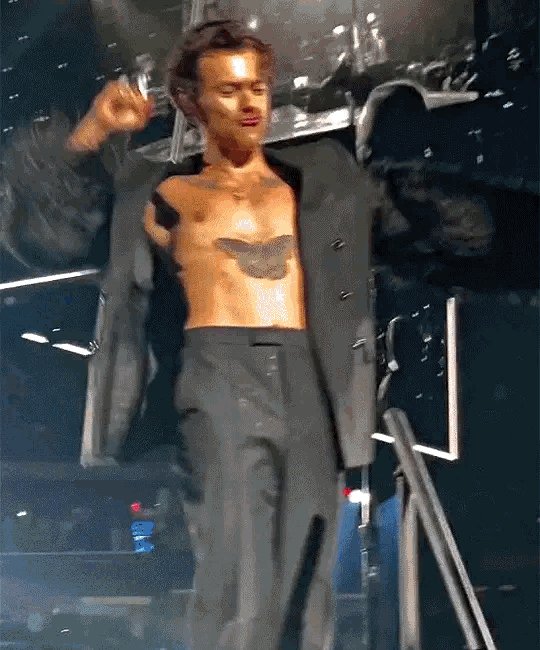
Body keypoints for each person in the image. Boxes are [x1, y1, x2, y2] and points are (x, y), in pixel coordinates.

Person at [1, 18, 493, 649]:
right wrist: (91, 133)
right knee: (242, 573)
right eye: (228, 89)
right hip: (221, 373)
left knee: (309, 574)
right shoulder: (163, 189)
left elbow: (440, 223)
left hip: (311, 375)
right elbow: (48, 231)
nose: (249, 103)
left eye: (257, 86)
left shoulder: (322, 180)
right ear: (191, 102)